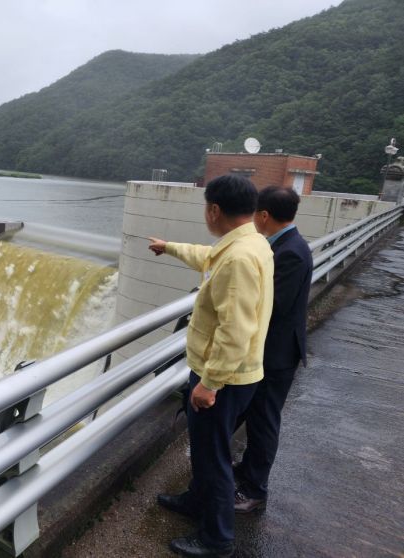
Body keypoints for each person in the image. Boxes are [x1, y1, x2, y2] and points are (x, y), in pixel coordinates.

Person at [148, 174, 274, 558]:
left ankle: (216, 539)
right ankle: (195, 502)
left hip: (224, 377)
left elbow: (235, 329)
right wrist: (168, 247)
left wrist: (209, 383)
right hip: (232, 373)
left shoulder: (238, 258)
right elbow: (206, 258)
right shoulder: (251, 243)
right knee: (205, 449)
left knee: (213, 456)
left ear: (214, 209)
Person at [233, 186, 313, 513]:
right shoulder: (285, 245)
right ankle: (247, 472)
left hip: (277, 354)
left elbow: (275, 304)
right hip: (272, 350)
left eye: (256, 214)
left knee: (264, 421)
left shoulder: (290, 251)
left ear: (264, 215)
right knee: (256, 416)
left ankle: (254, 490)